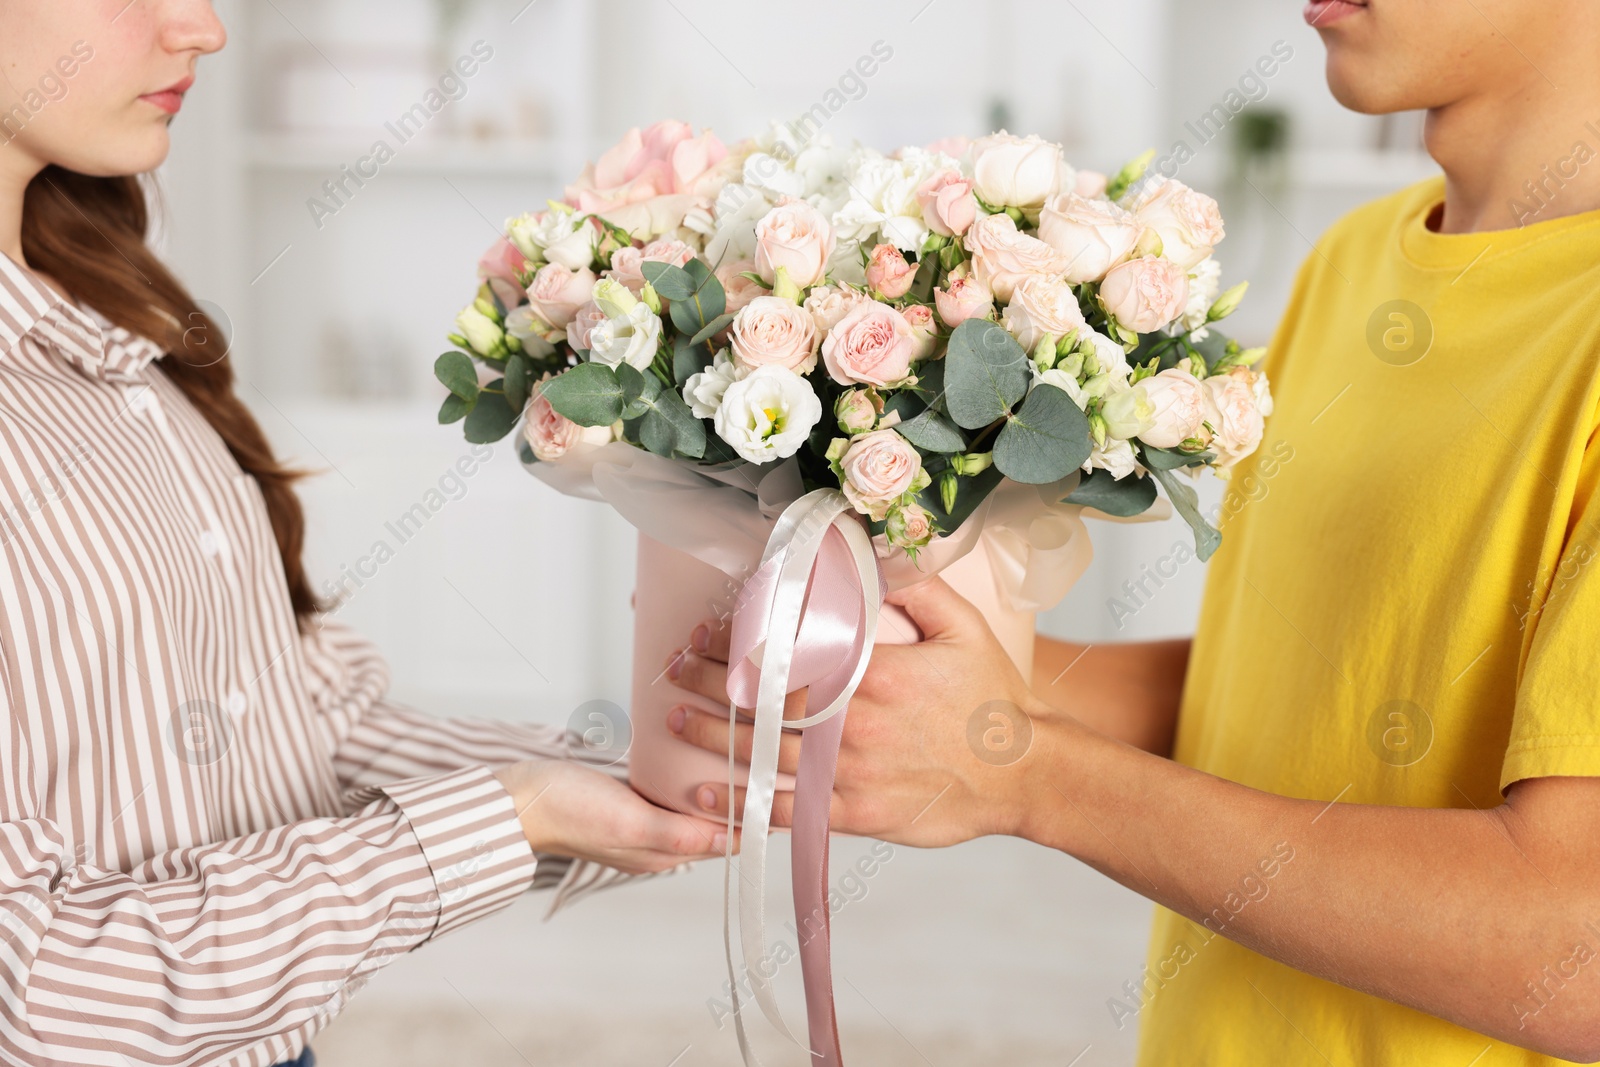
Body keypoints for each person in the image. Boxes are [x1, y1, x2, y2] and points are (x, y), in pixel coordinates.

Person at [666, 0, 1600, 1063]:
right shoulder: (1354, 263)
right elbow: (1309, 694)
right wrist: (929, 681)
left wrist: (1027, 770)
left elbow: (1575, 943)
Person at [0, 3, 724, 1065]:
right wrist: (510, 819)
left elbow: (294, 727)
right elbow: (43, 990)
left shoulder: (104, 323)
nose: (203, 28)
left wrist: (668, 767)